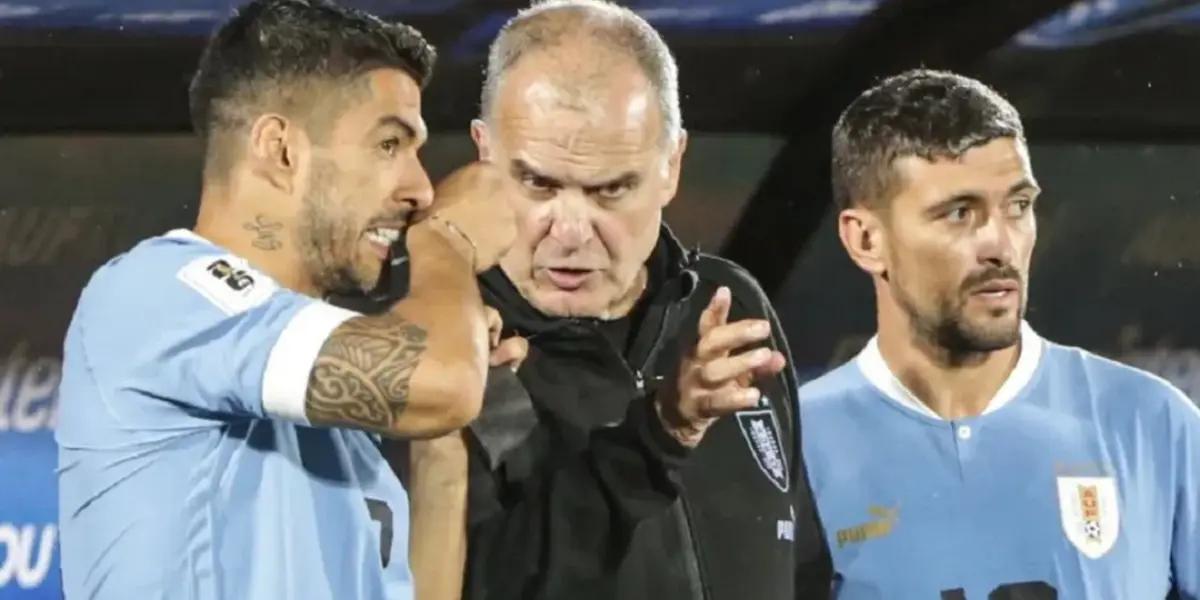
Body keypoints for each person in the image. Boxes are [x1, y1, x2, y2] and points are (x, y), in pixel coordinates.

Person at [358, 1, 831, 598]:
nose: (572, 231)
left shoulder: (727, 304)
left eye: (611, 189)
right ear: (484, 153)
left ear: (672, 165)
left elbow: (800, 561)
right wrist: (661, 434)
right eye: (539, 184)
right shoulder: (432, 347)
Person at [55, 1, 523, 598]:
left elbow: (441, 394)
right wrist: (449, 242)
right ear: (280, 150)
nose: (421, 191)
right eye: (388, 145)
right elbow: (441, 380)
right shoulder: (155, 292)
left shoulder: (340, 428)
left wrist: (440, 456)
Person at [799, 68, 1200, 598]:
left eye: (1018, 207)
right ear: (867, 239)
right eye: (960, 213)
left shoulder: (1150, 422)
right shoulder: (797, 446)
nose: (1001, 245)